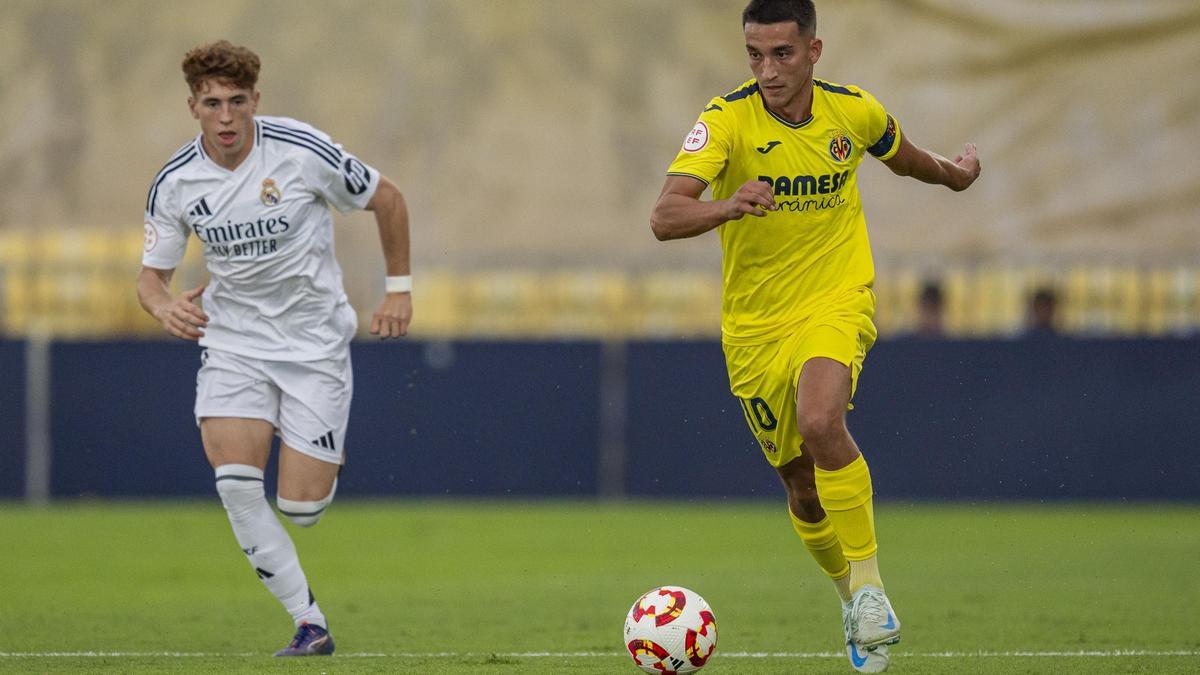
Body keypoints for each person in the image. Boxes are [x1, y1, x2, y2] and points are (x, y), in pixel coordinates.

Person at [649, 1, 980, 672]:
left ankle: (870, 587)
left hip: (836, 298)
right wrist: (728, 203)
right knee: (800, 483)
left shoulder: (851, 111)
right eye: (755, 55)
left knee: (822, 419)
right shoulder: (726, 120)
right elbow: (664, 215)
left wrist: (956, 174)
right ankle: (850, 603)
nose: (767, 70)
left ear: (814, 50)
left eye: (782, 54)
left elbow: (909, 158)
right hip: (754, 328)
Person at [136, 40, 413, 657]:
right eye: (213, 103)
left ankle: (315, 450)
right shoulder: (176, 181)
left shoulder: (300, 150)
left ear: (256, 100)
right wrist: (164, 306)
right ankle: (309, 624)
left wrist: (399, 291)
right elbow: (151, 278)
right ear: (193, 108)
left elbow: (387, 198)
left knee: (300, 508)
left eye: (238, 101)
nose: (227, 116)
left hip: (314, 345)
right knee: (235, 483)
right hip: (233, 342)